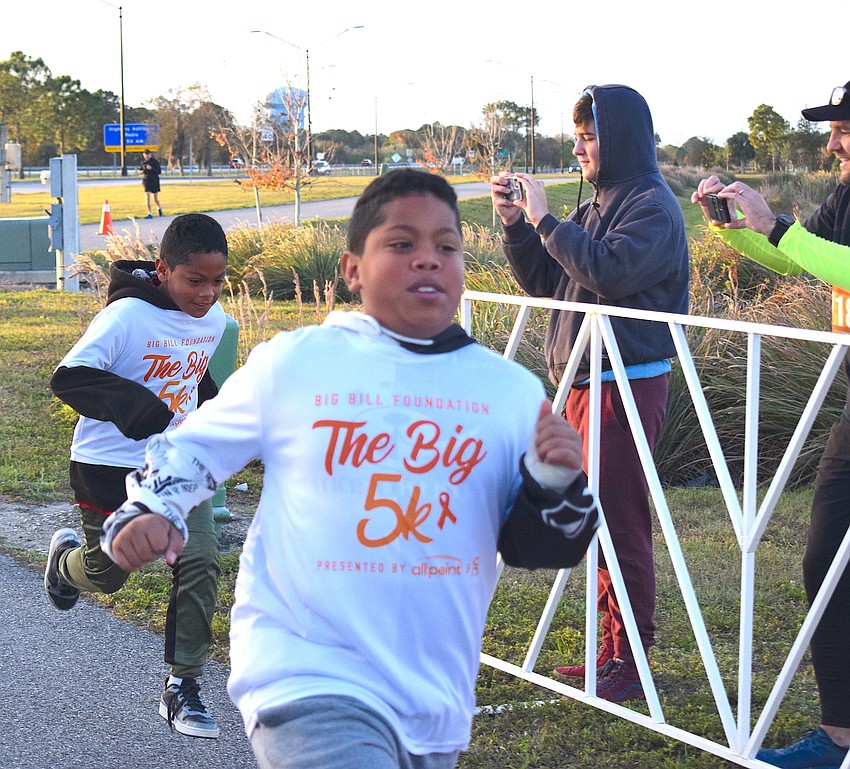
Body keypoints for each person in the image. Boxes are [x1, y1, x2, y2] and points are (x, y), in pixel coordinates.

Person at [99, 169, 601, 769]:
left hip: (432, 698)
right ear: (351, 269)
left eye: (447, 246)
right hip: (305, 673)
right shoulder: (297, 364)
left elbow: (538, 547)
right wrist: (153, 507)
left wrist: (554, 484)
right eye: (401, 244)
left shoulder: (508, 393)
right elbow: (192, 447)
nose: (428, 261)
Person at [490, 84, 690, 704]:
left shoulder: (652, 206)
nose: (577, 147)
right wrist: (519, 226)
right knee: (594, 518)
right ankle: (609, 646)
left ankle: (632, 656)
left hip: (625, 384)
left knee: (619, 518)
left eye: (589, 135)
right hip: (582, 378)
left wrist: (549, 219)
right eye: (576, 135)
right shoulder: (597, 204)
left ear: (621, 138)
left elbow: (608, 270)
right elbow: (553, 281)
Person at [692, 79, 850, 769]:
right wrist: (735, 229)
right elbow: (804, 259)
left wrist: (780, 223)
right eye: (834, 126)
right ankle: (839, 737)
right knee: (827, 561)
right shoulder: (847, 192)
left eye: (846, 126)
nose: (833, 139)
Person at [43, 213, 229, 739]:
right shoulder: (125, 316)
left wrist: (229, 423)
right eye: (195, 281)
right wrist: (145, 412)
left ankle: (182, 686)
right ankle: (65, 564)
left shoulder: (212, 322)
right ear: (164, 269)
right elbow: (69, 377)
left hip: (175, 464)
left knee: (200, 558)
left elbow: (197, 381)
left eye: (218, 282)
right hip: (106, 466)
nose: (207, 294)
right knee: (109, 574)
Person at [140, 149, 163, 218]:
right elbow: (141, 170)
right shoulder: (143, 162)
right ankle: (149, 213)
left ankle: (159, 208)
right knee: (147, 197)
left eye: (147, 154)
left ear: (150, 155)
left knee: (155, 199)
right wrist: (142, 171)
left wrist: (151, 168)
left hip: (154, 181)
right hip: (147, 181)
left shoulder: (155, 162)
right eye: (145, 154)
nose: (146, 156)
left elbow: (159, 171)